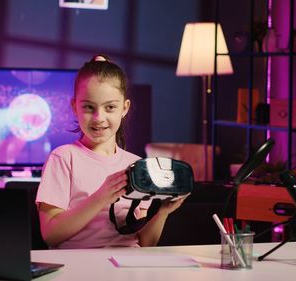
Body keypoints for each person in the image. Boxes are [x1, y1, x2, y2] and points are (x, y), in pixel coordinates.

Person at [36, 55, 187, 249]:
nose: (99, 118)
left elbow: (147, 242)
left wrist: (162, 213)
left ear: (124, 108)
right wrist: (100, 198)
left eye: (110, 107)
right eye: (89, 107)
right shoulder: (64, 158)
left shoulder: (137, 165)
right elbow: (51, 234)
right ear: (75, 107)